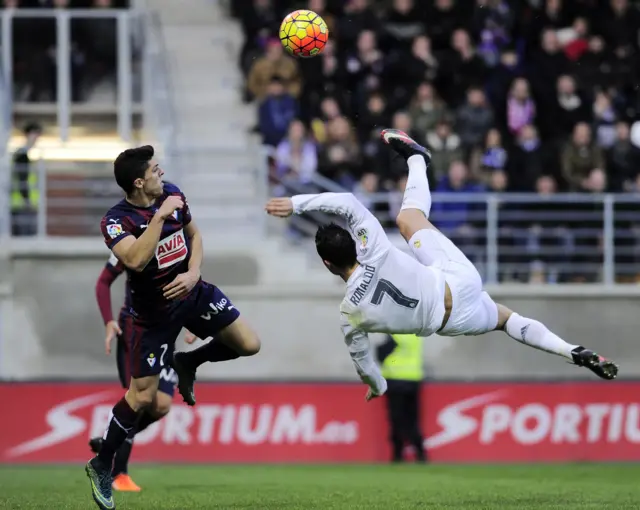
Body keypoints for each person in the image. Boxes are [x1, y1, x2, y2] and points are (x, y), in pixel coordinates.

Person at [265, 129, 618, 402]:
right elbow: (346, 202)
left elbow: (363, 363)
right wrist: (296, 203)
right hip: (455, 281)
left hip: (452, 322)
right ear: (354, 245)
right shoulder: (372, 248)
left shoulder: (349, 313)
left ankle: (569, 350)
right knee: (408, 218)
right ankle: (417, 160)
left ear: (327, 264)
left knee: (506, 320)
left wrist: (379, 385)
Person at [87, 146, 261, 510]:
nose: (161, 172)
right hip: (151, 316)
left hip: (193, 292)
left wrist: (194, 271)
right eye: (154, 169)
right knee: (143, 397)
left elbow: (195, 237)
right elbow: (135, 259)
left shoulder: (173, 194)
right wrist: (158, 217)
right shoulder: (115, 221)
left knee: (249, 343)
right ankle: (103, 465)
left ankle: (189, 363)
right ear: (138, 182)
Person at [88, 253, 197, 492]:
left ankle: (110, 443)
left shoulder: (177, 240)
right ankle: (118, 474)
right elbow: (103, 281)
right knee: (140, 398)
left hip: (165, 331)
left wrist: (194, 321)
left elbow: (188, 285)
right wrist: (108, 321)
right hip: (134, 331)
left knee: (162, 405)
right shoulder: (130, 244)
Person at [376, 333, 426, 463]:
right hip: (413, 379)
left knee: (397, 420)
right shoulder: (416, 333)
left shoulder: (395, 333)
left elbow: (382, 355)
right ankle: (420, 453)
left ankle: (398, 454)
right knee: (413, 420)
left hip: (395, 380)